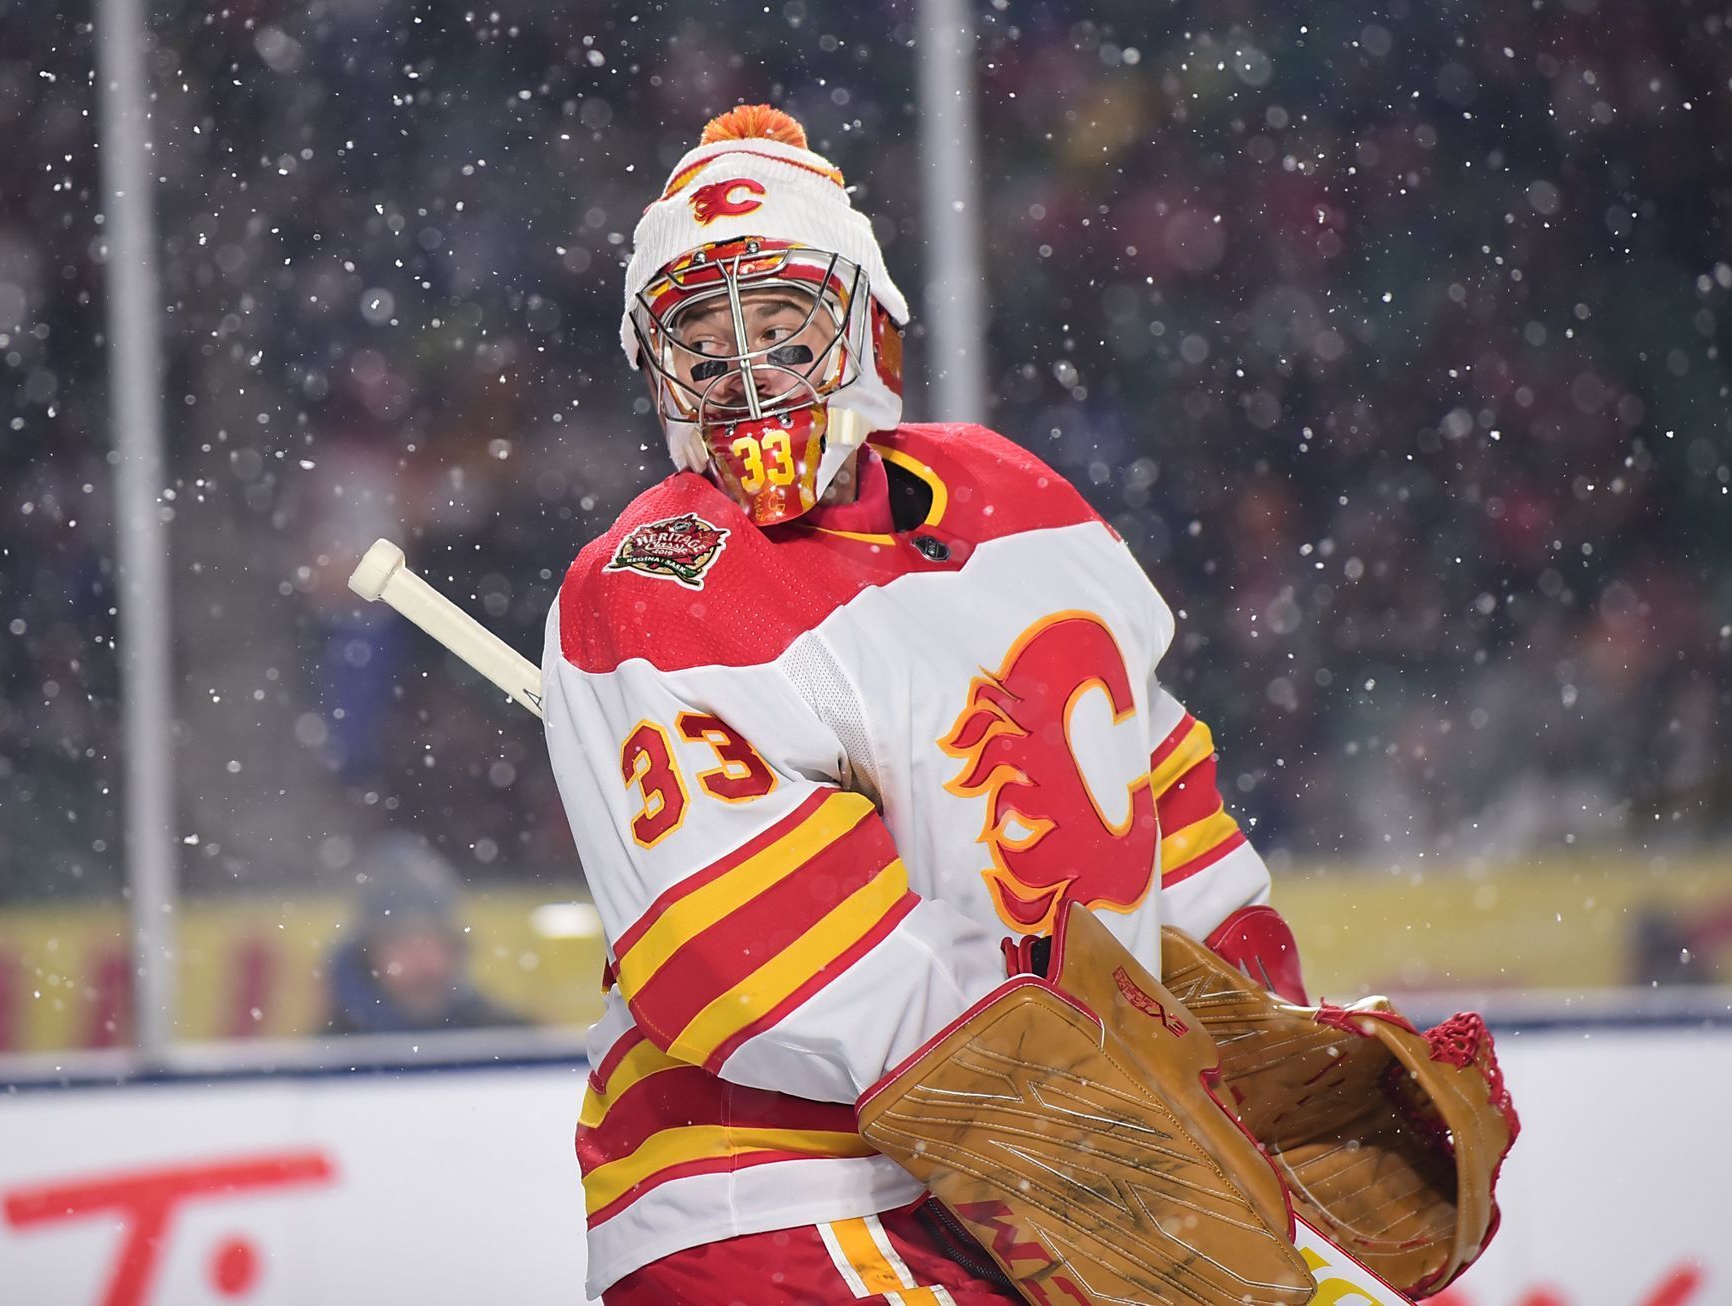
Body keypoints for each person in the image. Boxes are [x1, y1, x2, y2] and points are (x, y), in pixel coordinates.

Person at [539, 106, 1510, 1305]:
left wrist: (1266, 1049)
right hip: (769, 1194)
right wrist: (1084, 1149)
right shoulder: (652, 583)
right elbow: (753, 956)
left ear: (870, 330)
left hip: (1066, 1168)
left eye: (782, 330)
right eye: (703, 338)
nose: (746, 372)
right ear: (656, 368)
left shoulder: (1017, 498)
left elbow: (1157, 801)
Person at [322, 832, 523, 1035]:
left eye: (434, 943)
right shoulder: (331, 1054)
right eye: (402, 944)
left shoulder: (511, 1042)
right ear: (369, 957)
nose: (423, 962)